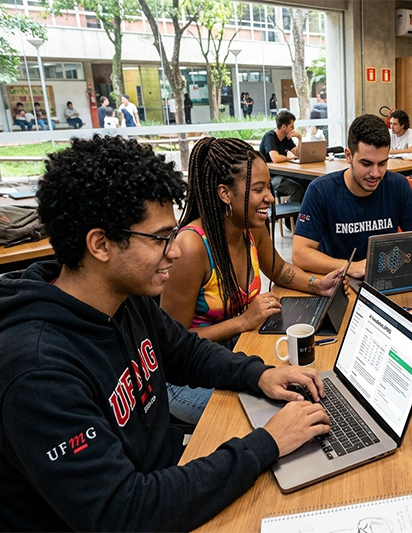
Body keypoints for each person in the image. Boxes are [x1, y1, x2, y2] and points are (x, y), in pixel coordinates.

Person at [0, 135, 330, 530]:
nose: (173, 251)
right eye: (160, 238)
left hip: (167, 475)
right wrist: (267, 443)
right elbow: (123, 512)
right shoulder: (37, 371)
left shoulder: (125, 297)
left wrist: (259, 373)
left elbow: (185, 351)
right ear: (101, 244)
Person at [160, 137, 344, 424]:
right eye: (258, 189)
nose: (269, 198)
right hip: (184, 379)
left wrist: (316, 285)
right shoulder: (191, 248)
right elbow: (172, 344)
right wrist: (243, 322)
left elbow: (280, 269)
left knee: (296, 390)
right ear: (225, 193)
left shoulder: (248, 227)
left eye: (268, 187)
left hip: (232, 356)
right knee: (272, 412)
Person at [293, 114, 412, 279]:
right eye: (366, 164)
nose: (375, 173)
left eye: (382, 163)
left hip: (386, 281)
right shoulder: (321, 191)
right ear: (348, 156)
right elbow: (300, 254)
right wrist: (350, 267)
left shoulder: (398, 185)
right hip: (340, 283)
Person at [259, 110, 306, 204]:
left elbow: (297, 154)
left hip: (283, 174)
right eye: (292, 126)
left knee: (306, 183)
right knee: (297, 189)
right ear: (284, 127)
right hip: (270, 177)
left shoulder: (286, 138)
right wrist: (290, 158)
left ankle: (301, 216)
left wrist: (300, 139)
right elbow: (275, 158)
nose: (293, 129)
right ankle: (289, 217)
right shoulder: (270, 137)